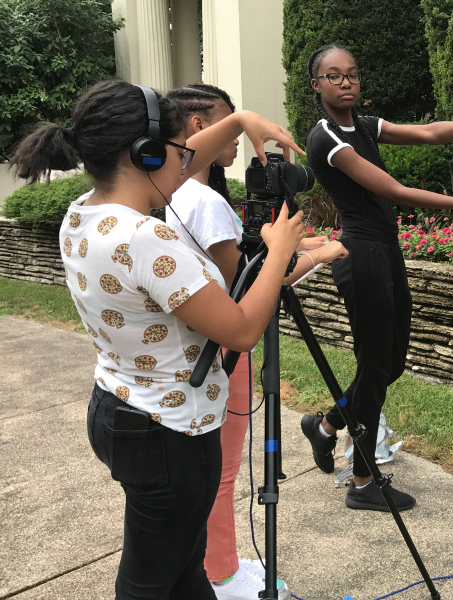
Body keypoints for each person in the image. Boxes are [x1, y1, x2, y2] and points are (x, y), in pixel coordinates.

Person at [9, 80, 310, 599]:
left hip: (121, 410)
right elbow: (240, 331)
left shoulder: (85, 213)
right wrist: (279, 251)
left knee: (182, 569)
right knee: (149, 581)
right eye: (179, 152)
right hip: (170, 436)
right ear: (145, 153)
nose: (188, 163)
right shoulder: (146, 239)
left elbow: (168, 172)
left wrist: (239, 123)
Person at [301, 43, 453, 512]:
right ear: (316, 84)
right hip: (360, 256)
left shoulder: (361, 125)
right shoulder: (327, 139)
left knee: (389, 363)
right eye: (334, 76)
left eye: (353, 74)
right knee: (377, 366)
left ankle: (325, 425)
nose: (346, 83)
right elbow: (396, 191)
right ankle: (363, 481)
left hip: (385, 251)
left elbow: (426, 133)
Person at [165, 83, 345, 600]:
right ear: (199, 127)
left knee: (206, 473)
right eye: (233, 124)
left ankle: (211, 563)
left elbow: (251, 255)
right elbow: (254, 284)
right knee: (222, 472)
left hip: (191, 347)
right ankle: (221, 571)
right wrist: (322, 254)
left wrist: (297, 245)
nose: (244, 144)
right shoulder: (205, 201)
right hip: (221, 352)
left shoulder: (177, 194)